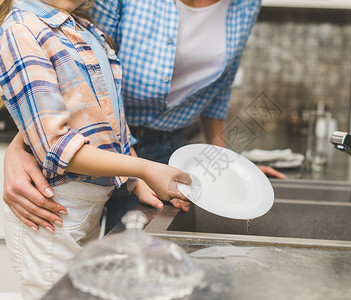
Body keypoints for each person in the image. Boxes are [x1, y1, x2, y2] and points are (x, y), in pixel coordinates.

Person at [2, 0, 285, 234]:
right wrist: (24, 143)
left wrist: (226, 163)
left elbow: (221, 87)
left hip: (162, 153)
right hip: (95, 158)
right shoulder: (28, 26)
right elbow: (71, 72)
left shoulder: (246, 5)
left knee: (138, 268)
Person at [0, 0, 191, 298]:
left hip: (86, 205)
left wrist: (137, 180)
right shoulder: (21, 30)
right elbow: (56, 147)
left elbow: (112, 125)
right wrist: (145, 168)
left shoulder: (86, 30)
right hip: (50, 207)